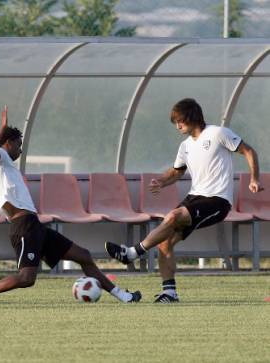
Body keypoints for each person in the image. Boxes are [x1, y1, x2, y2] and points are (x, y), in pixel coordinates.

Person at [0, 106, 141, 304]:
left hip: (34, 225)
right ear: (7, 143)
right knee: (27, 278)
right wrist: (2, 129)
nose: (20, 151)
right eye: (18, 145)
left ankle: (124, 297)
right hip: (23, 227)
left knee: (83, 255)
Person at [106, 98, 263, 303]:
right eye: (175, 122)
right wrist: (162, 181)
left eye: (180, 120)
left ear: (192, 117)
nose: (178, 125)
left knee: (173, 216)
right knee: (165, 243)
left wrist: (254, 178)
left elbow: (249, 151)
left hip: (217, 200)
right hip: (195, 197)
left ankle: (132, 253)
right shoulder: (185, 146)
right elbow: (177, 171)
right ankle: (169, 293)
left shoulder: (218, 133)